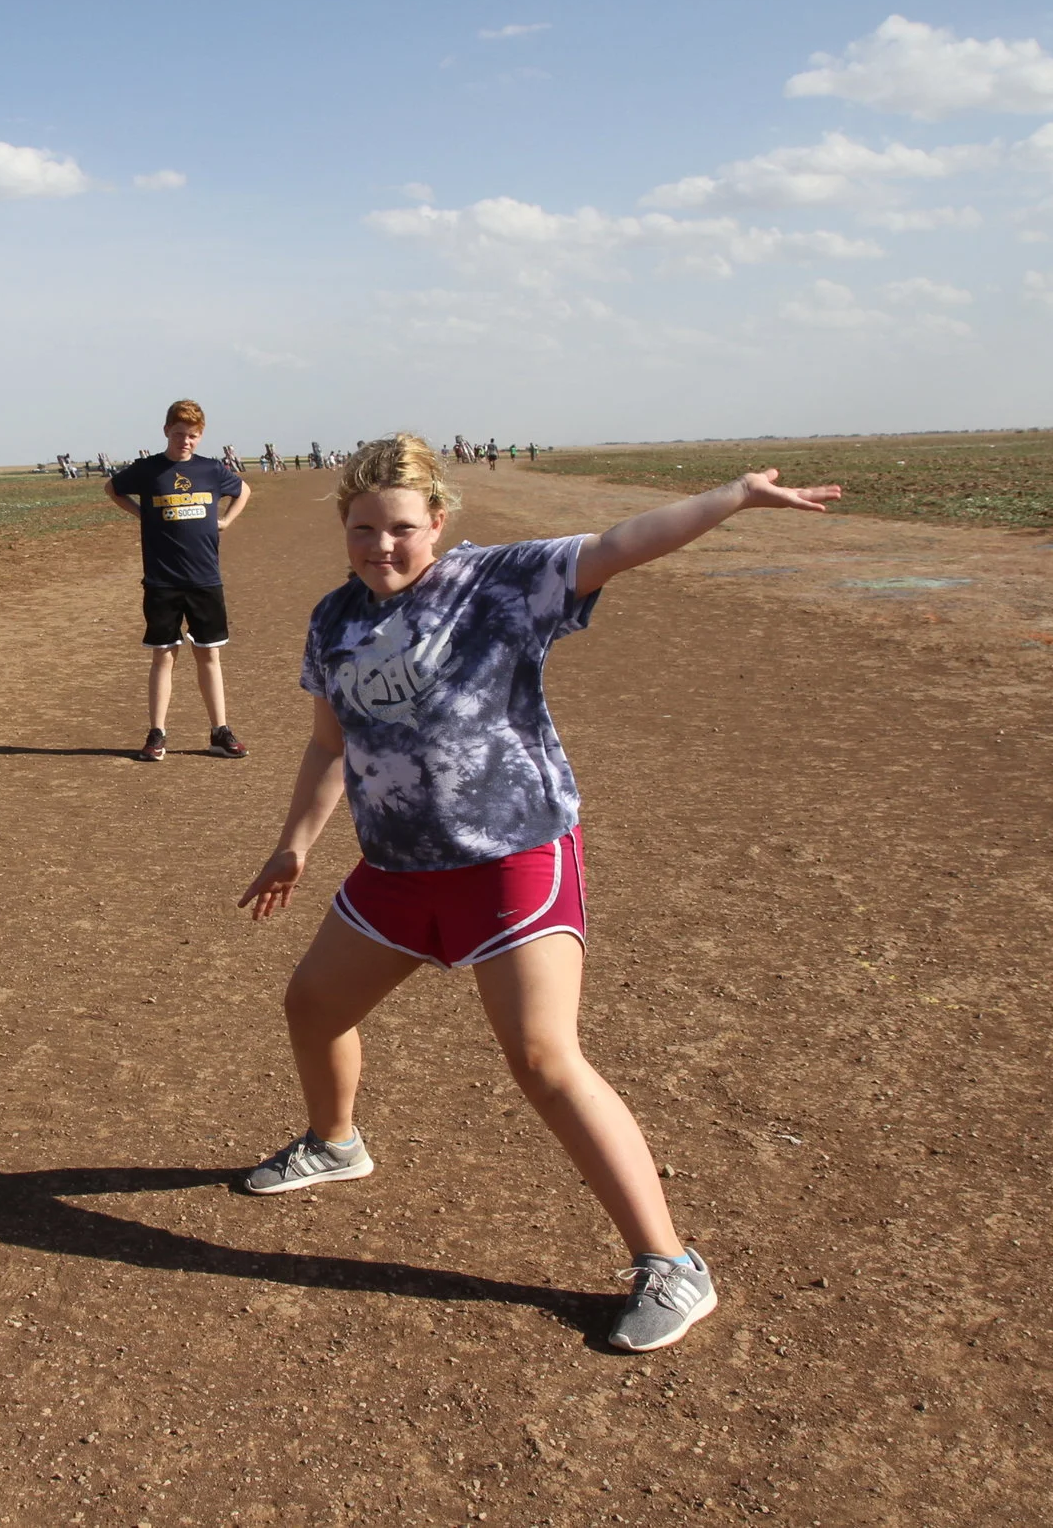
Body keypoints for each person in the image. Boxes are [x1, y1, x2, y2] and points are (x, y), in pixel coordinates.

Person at [235, 433, 840, 1352]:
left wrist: (733, 495)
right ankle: (336, 1142)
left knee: (543, 1056)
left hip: (510, 857)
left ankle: (670, 1264)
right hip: (398, 867)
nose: (381, 547)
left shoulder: (496, 585)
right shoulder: (334, 619)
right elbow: (330, 744)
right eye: (363, 529)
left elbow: (619, 543)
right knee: (313, 1005)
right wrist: (293, 845)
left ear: (436, 521)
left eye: (401, 528)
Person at [106, 400, 253, 763]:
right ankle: (157, 734)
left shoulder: (212, 470)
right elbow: (112, 488)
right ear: (166, 431)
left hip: (205, 578)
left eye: (192, 436)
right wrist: (141, 513)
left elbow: (243, 491)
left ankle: (220, 731)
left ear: (200, 437)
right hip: (162, 581)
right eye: (178, 434)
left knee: (209, 655)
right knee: (164, 656)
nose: (185, 441)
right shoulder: (147, 470)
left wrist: (227, 520)